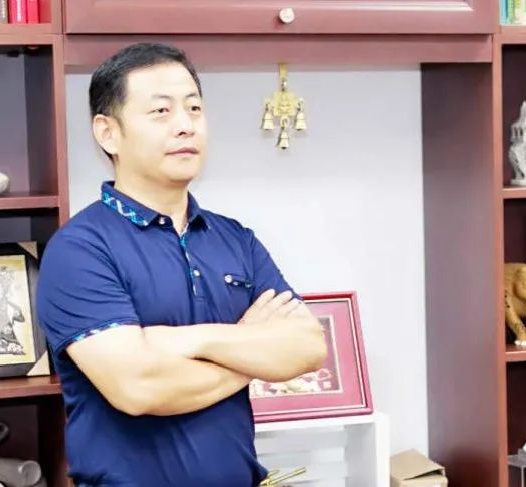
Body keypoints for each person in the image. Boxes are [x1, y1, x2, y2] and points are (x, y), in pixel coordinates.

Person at [36, 42, 327, 487]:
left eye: (194, 108)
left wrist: (189, 339)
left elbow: (307, 347)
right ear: (108, 133)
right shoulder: (79, 250)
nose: (185, 125)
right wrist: (252, 349)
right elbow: (139, 388)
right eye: (161, 111)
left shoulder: (235, 239)